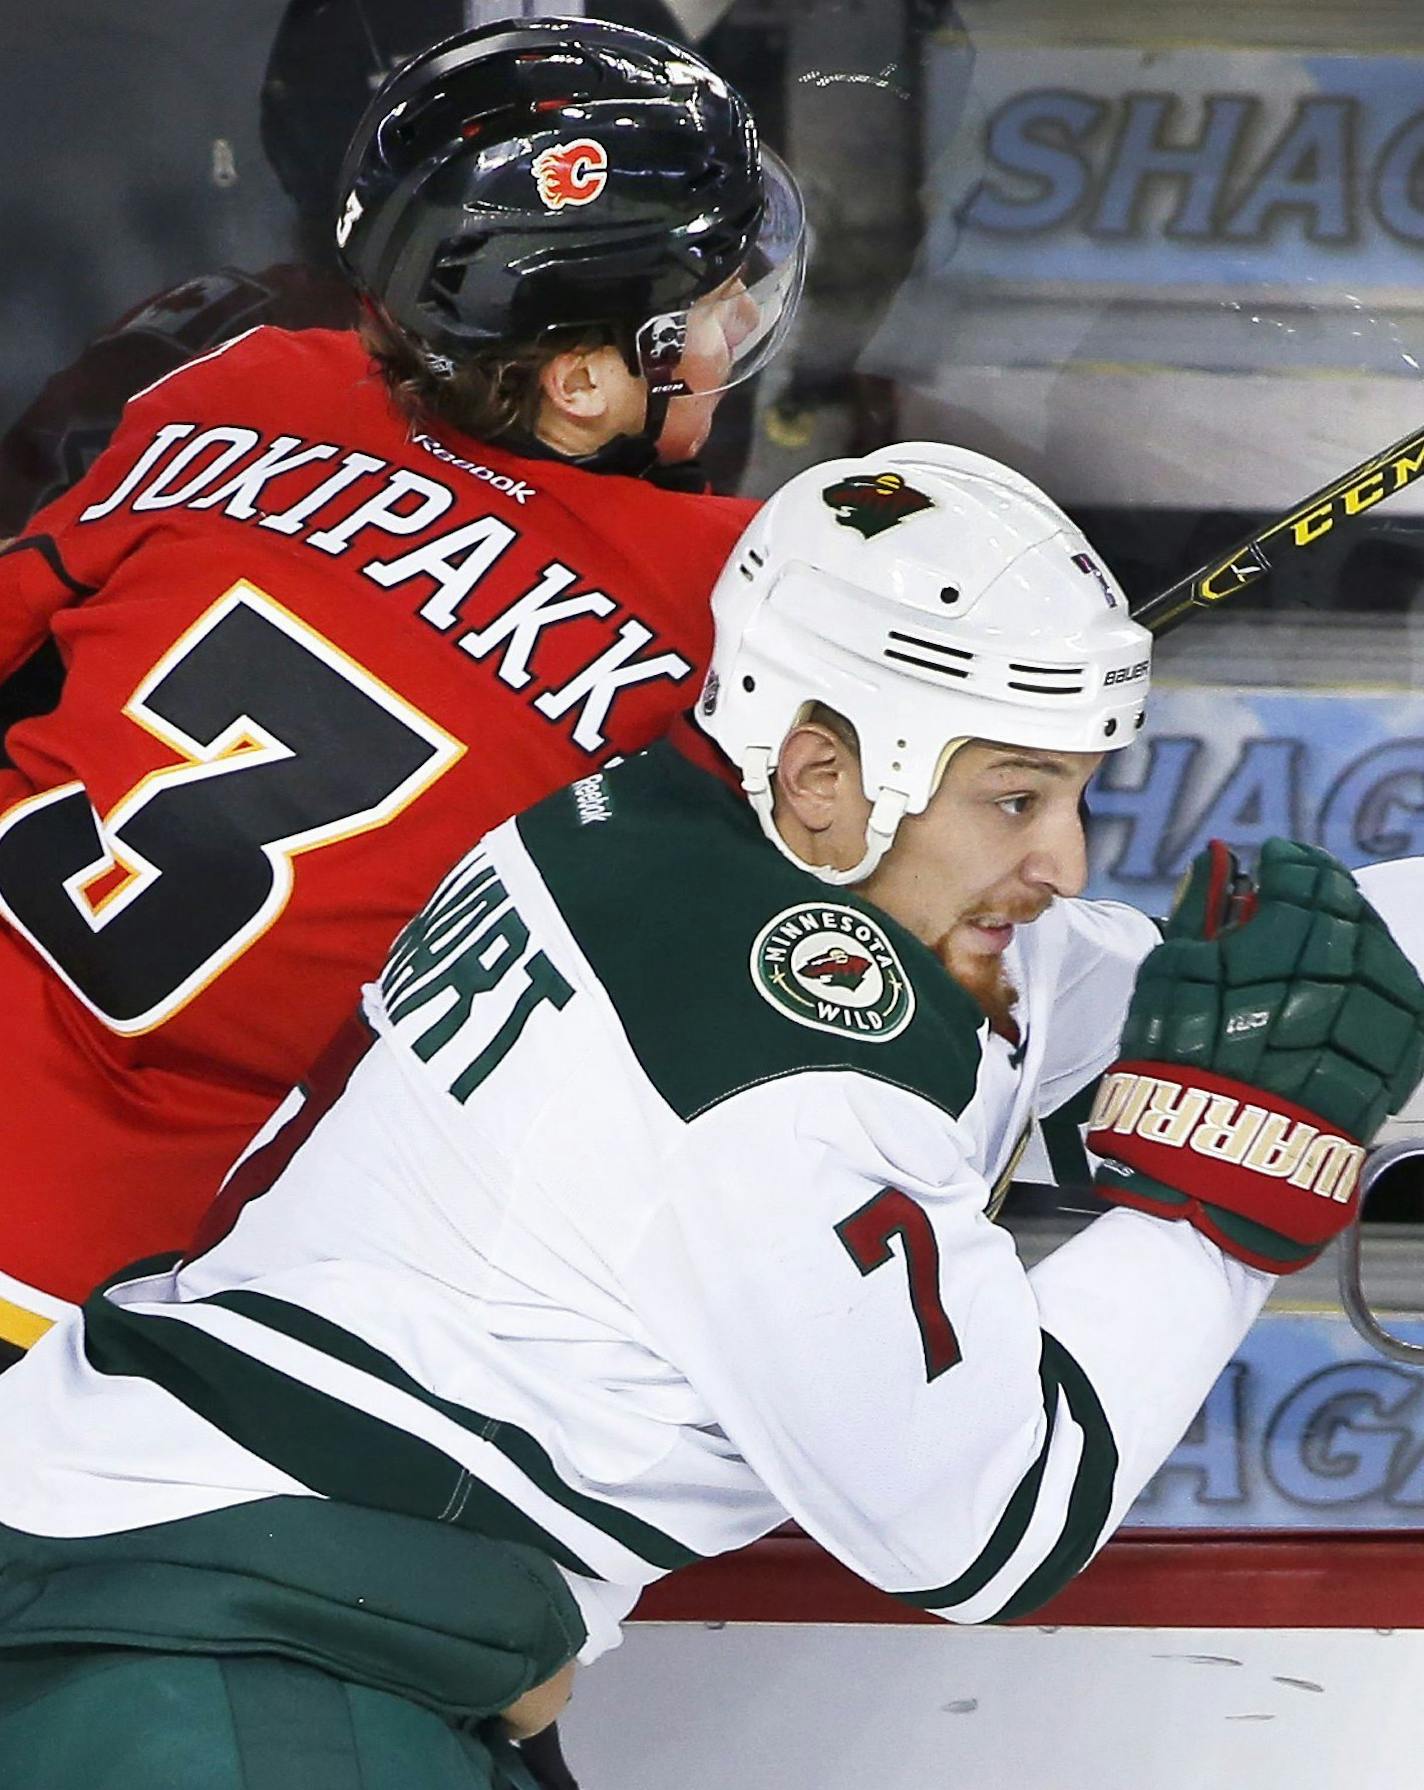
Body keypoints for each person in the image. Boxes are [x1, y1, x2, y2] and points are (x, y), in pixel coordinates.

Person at [1, 441, 1419, 1788]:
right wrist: (1225, 1194)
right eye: (1014, 794)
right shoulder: (775, 1063)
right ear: (819, 776)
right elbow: (990, 1523)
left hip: (194, 1594)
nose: (1065, 856)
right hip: (226, 1678)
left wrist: (1329, 983)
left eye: (1077, 790)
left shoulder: (656, 829)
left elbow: (1100, 1018)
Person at [0, 16, 805, 1351]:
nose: (738, 319)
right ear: (588, 374)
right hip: (172, 1298)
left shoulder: (250, 387)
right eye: (711, 297)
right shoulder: (737, 596)